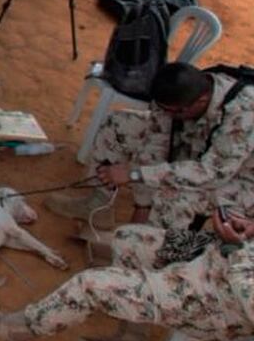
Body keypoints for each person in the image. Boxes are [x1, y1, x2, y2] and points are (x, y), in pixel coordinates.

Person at [0, 208, 254, 341]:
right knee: (129, 238)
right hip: (214, 262)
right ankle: (132, 338)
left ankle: (5, 333)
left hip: (220, 304)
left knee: (90, 285)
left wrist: (233, 249)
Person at [50, 62, 254, 232]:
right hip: (199, 150)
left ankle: (148, 255)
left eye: (175, 112)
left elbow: (211, 173)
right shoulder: (182, 92)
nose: (167, 114)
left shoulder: (244, 114)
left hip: (240, 177)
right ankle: (99, 206)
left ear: (201, 101)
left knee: (173, 196)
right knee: (118, 124)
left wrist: (135, 174)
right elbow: (158, 141)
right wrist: (142, 201)